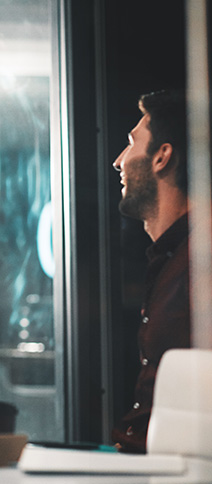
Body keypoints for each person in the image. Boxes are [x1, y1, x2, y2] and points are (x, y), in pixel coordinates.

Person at [110, 90, 190, 453]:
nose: (118, 161)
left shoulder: (199, 261)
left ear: (162, 156)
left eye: (131, 143)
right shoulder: (171, 258)